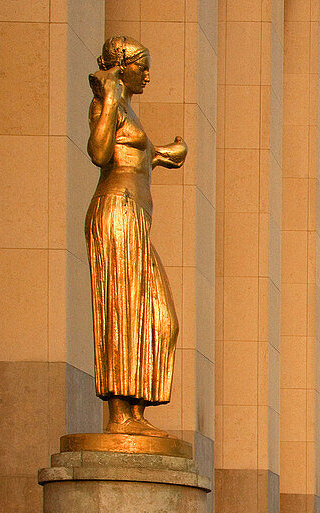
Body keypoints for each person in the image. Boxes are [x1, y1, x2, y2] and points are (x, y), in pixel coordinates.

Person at [85, 36, 187, 438]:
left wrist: (165, 154)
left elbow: (137, 155)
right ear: (121, 67)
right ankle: (120, 415)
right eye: (141, 66)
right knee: (123, 308)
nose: (147, 74)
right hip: (117, 211)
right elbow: (99, 151)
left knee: (161, 320)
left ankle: (135, 410)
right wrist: (109, 98)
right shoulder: (107, 103)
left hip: (136, 218)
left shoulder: (128, 110)